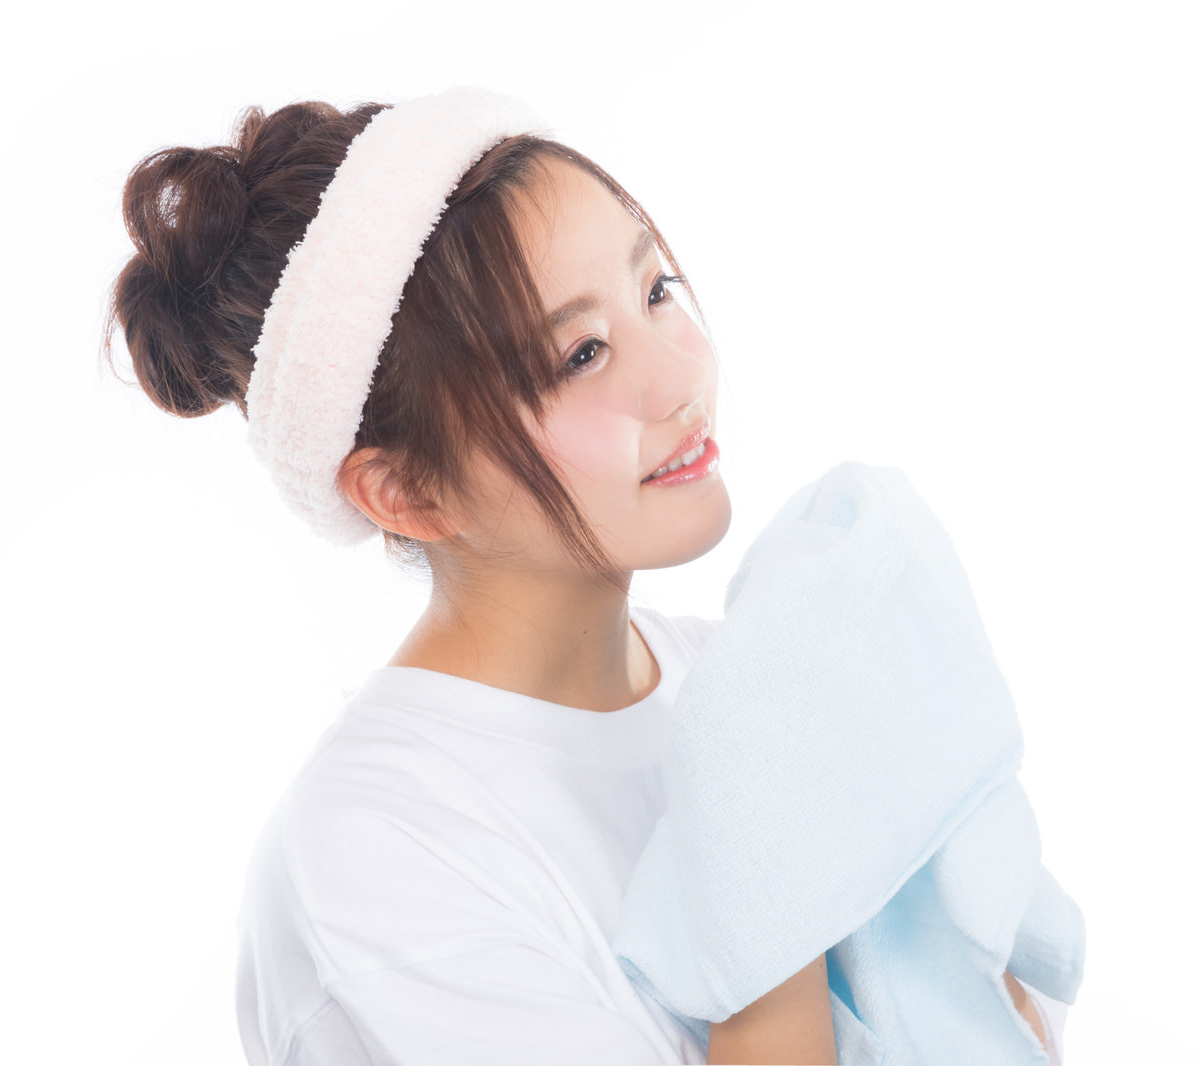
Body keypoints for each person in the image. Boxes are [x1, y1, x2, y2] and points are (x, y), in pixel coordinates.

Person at [103, 88, 1061, 1065]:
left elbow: (992, 1021)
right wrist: (769, 856)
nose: (680, 378)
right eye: (581, 354)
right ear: (406, 491)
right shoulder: (377, 853)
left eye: (656, 291)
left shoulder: (748, 686)